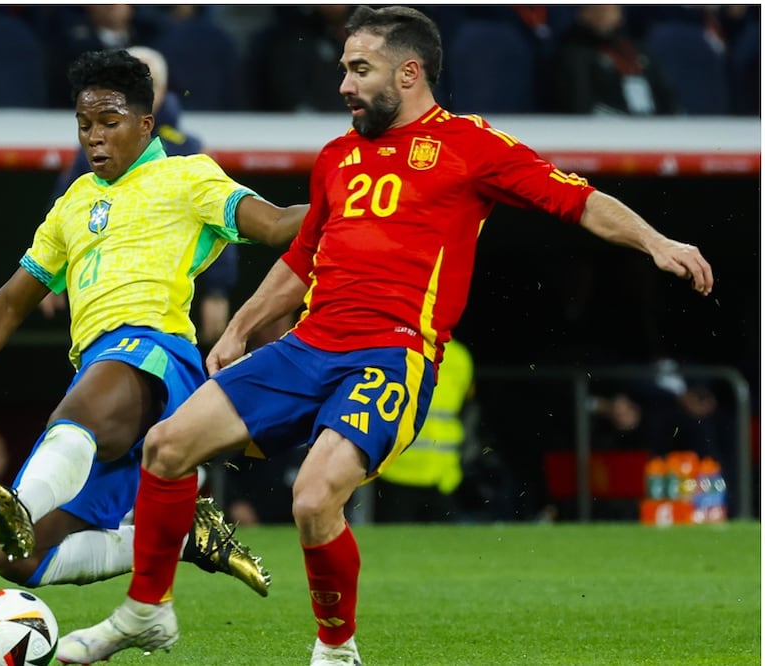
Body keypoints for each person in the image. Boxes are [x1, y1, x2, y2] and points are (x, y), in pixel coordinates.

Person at [56, 6, 714, 665]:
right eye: (344, 67)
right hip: (306, 347)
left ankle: (336, 651)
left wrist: (655, 241)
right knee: (166, 445)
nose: (342, 83)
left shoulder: (469, 146)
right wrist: (242, 330)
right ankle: (146, 613)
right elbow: (301, 260)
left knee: (312, 499)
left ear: (408, 73)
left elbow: (578, 199)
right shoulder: (337, 157)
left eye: (358, 69)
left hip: (391, 354)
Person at [0, 49, 306, 596]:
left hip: (158, 360)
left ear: (145, 123)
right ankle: (176, 540)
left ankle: (20, 501)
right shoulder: (71, 204)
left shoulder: (187, 176)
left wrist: (356, 201)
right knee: (18, 558)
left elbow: (278, 226)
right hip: (100, 373)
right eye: (84, 124)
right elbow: (11, 301)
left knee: (84, 405)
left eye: (109, 123)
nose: (94, 137)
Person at [40, 45, 238, 348]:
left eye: (147, 82)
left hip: (172, 301)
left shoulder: (188, 152)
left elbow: (224, 220)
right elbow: (64, 215)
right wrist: (52, 275)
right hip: (101, 301)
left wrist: (217, 292)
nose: (95, 137)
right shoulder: (93, 152)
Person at [373, 338, 475, 523]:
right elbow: (467, 406)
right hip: (429, 471)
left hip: (410, 471)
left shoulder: (392, 348)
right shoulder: (460, 356)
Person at [550, 4, 680, 116]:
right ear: (582, 14)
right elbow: (579, 105)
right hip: (607, 133)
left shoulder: (636, 51)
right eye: (596, 9)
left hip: (654, 131)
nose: (603, 15)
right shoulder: (575, 54)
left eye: (609, 9)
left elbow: (667, 96)